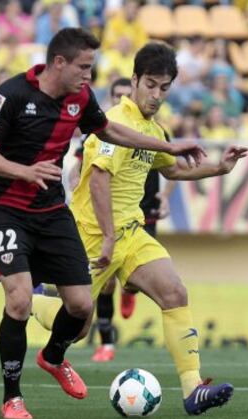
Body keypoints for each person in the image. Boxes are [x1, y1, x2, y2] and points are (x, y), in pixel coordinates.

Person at [0, 28, 205, 419]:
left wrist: (169, 145)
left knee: (79, 306)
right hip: (7, 210)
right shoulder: (10, 95)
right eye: (83, 66)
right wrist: (24, 171)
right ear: (58, 63)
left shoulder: (81, 98)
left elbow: (109, 129)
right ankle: (13, 397)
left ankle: (55, 357)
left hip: (51, 211)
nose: (89, 76)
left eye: (91, 67)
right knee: (19, 298)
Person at [69, 42, 248, 415]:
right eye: (150, 84)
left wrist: (220, 167)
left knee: (174, 292)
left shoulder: (154, 130)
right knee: (75, 328)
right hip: (91, 236)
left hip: (132, 234)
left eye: (164, 88)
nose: (156, 95)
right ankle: (32, 295)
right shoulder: (114, 121)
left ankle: (192, 389)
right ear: (134, 80)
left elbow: (172, 169)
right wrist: (106, 236)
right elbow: (99, 179)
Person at [67, 77, 175, 362]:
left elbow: (173, 167)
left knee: (140, 281)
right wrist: (77, 180)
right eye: (117, 95)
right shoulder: (104, 129)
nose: (122, 99)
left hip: (143, 209)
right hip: (104, 218)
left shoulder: (155, 131)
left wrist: (165, 196)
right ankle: (106, 342)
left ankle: (131, 289)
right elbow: (83, 166)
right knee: (98, 293)